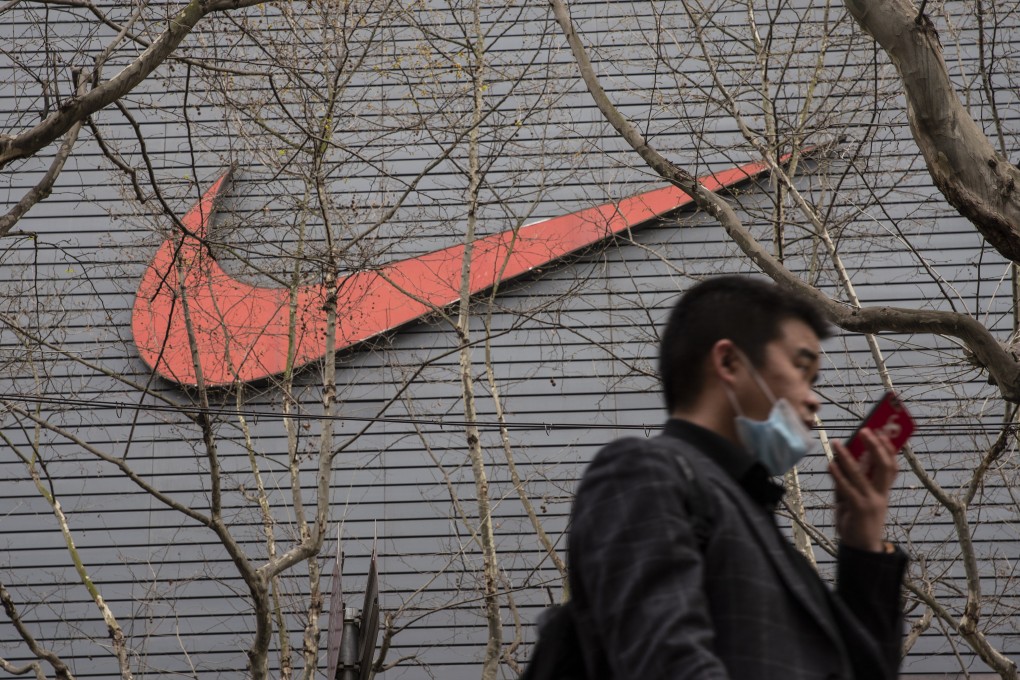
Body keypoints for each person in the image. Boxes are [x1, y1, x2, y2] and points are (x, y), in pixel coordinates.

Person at [568, 275, 907, 680]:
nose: (813, 398)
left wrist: (864, 545)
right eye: (800, 370)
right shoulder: (642, 471)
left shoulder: (750, 511)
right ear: (729, 362)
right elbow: (670, 665)